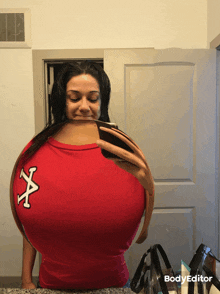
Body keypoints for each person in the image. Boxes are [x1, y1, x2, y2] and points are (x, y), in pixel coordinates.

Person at [10, 61, 154, 290]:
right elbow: (30, 220)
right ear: (61, 101)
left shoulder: (122, 151)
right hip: (52, 284)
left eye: (93, 98)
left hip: (113, 284)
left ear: (102, 101)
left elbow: (142, 215)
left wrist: (149, 187)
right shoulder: (36, 150)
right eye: (74, 98)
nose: (84, 106)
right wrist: (27, 279)